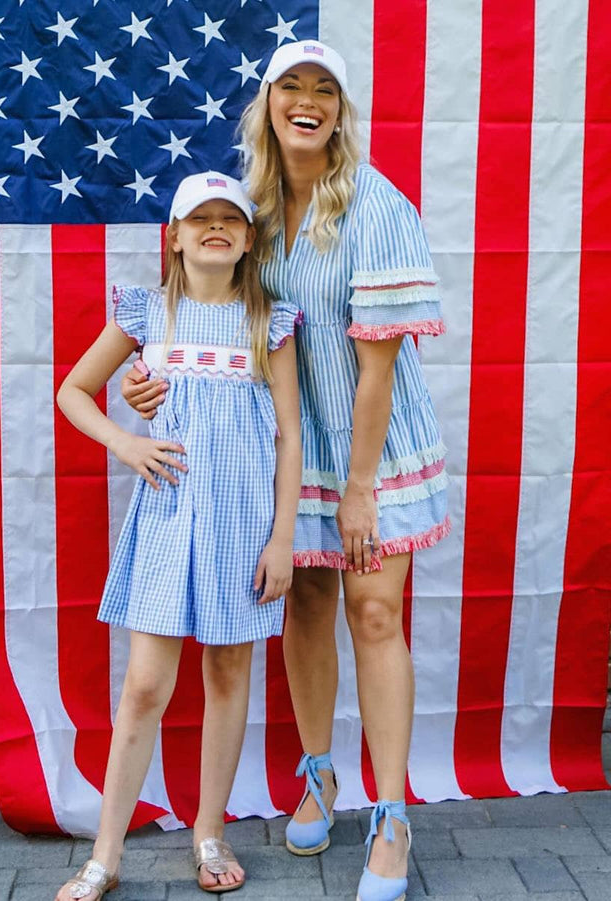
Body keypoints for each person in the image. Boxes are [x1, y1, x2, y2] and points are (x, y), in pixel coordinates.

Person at [121, 41, 449, 901]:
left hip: (373, 446)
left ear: (341, 109)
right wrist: (149, 380)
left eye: (324, 89)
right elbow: (206, 317)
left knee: (373, 611)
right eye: (291, 86)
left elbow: (377, 370)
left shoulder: (376, 205)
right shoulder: (251, 208)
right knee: (305, 605)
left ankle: (391, 814)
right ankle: (318, 772)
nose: (308, 101)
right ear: (267, 103)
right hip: (285, 445)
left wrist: (361, 489)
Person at [54, 171, 301, 900]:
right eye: (201, 218)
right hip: (168, 516)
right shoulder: (147, 312)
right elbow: (73, 390)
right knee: (144, 685)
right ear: (176, 236)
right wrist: (125, 441)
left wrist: (281, 537)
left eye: (231, 218)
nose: (215, 227)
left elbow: (290, 434)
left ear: (248, 240)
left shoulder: (269, 322)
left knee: (227, 673)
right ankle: (105, 854)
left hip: (242, 521)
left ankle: (209, 832)